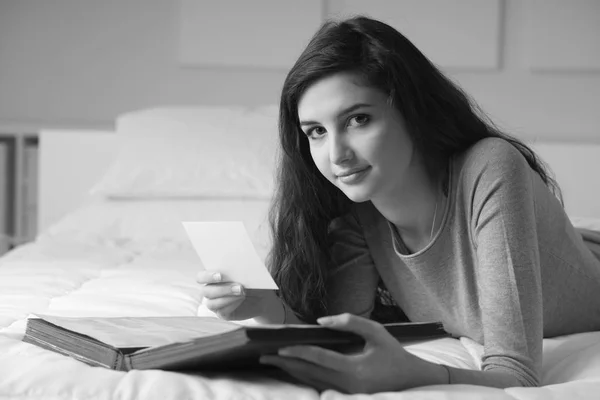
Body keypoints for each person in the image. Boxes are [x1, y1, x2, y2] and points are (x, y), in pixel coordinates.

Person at [197, 16, 600, 393]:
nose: (336, 155)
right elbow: (342, 337)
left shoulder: (490, 166)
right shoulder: (358, 212)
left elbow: (517, 375)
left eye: (358, 120)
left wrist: (415, 374)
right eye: (316, 131)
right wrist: (267, 308)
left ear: (411, 109)